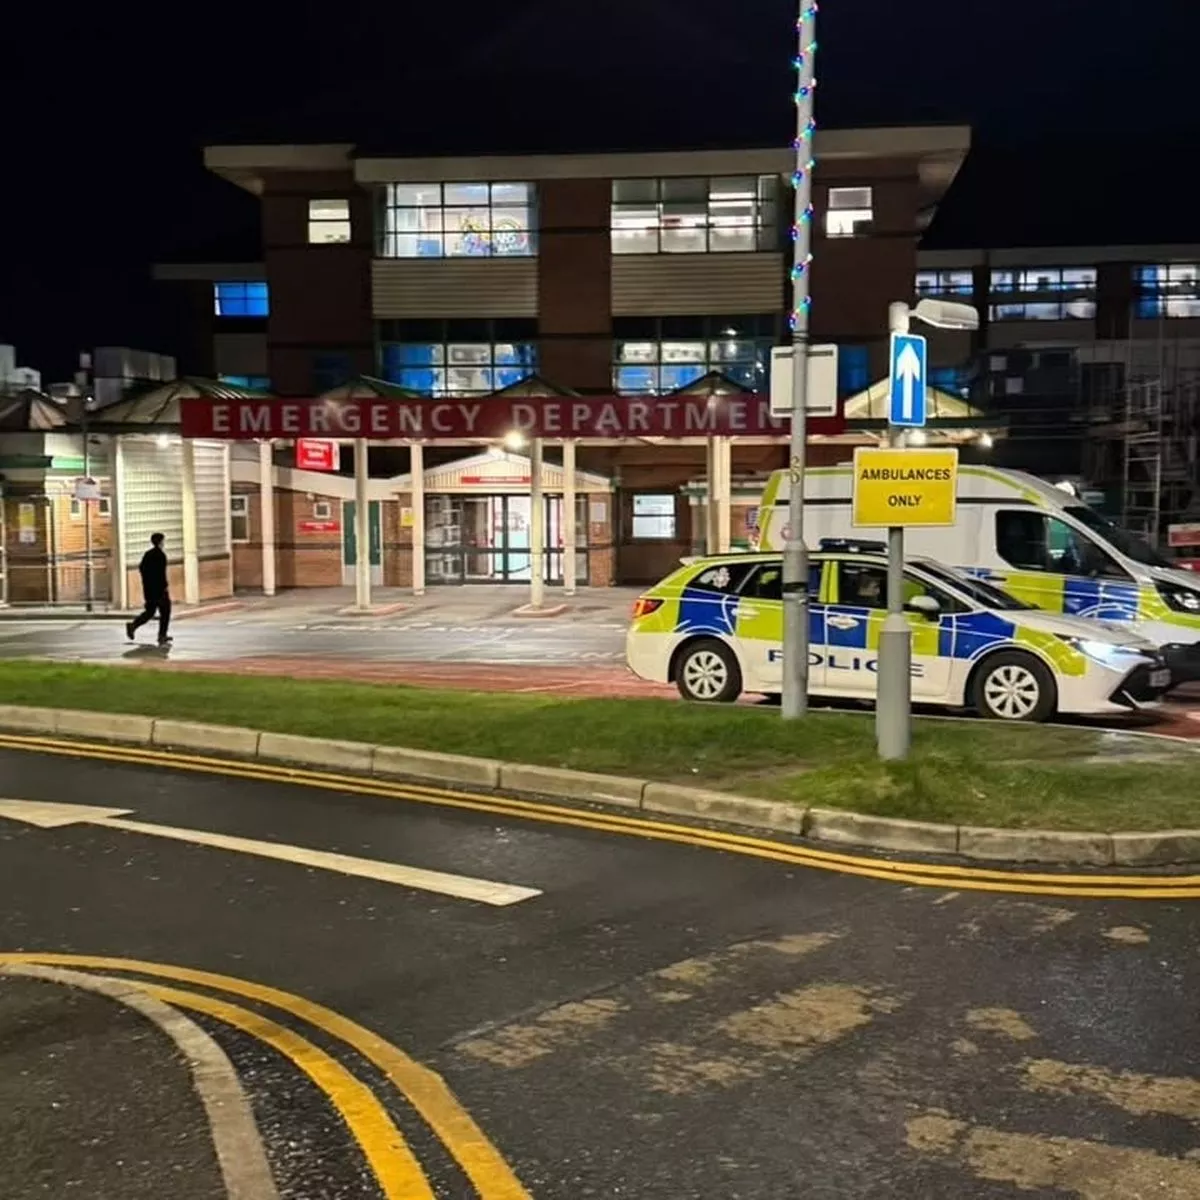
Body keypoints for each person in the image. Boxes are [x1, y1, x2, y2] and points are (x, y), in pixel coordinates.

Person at [126, 533, 172, 646]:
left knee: (150, 612)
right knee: (165, 611)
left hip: (149, 589)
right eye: (163, 541)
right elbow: (161, 574)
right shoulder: (161, 555)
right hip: (159, 590)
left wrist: (146, 582)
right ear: (161, 542)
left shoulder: (148, 554)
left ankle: (133, 625)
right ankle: (162, 635)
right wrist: (164, 587)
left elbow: (142, 568)